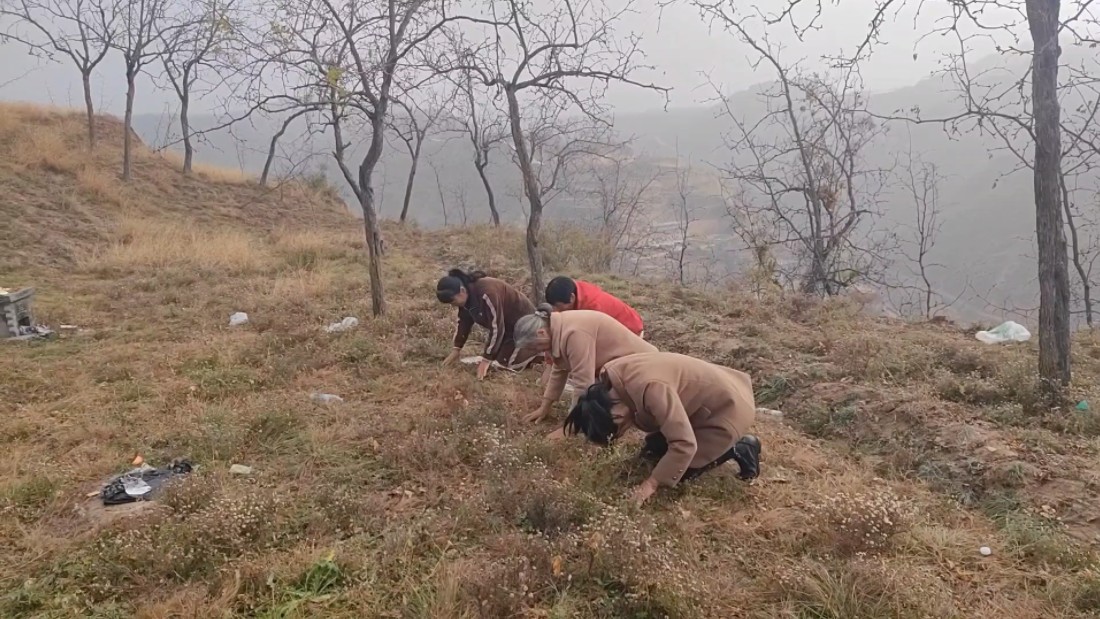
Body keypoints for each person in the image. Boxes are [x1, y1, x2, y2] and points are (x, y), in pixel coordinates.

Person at [562, 352, 761, 505]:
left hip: (727, 408)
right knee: (652, 452)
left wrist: (650, 484)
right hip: (700, 400)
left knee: (682, 472)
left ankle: (740, 447)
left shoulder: (652, 389)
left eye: (616, 433)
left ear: (617, 416)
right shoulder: (611, 379)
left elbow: (683, 443)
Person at [513, 304, 658, 423]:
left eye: (534, 346)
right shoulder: (557, 330)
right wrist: (545, 406)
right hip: (615, 371)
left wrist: (571, 424)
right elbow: (560, 368)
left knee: (611, 419)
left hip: (643, 369)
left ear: (541, 333)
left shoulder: (574, 333)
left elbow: (584, 384)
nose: (536, 351)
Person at [437, 269, 540, 379]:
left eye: (453, 301)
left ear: (462, 291)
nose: (453, 305)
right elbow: (464, 321)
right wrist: (456, 348)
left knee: (507, 364)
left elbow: (497, 328)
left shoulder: (487, 293)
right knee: (497, 361)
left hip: (526, 329)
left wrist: (486, 360)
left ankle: (539, 352)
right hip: (508, 332)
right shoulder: (466, 297)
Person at [544, 276, 645, 337]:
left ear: (571, 297)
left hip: (631, 332)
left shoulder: (593, 308)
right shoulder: (576, 289)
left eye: (558, 306)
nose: (555, 311)